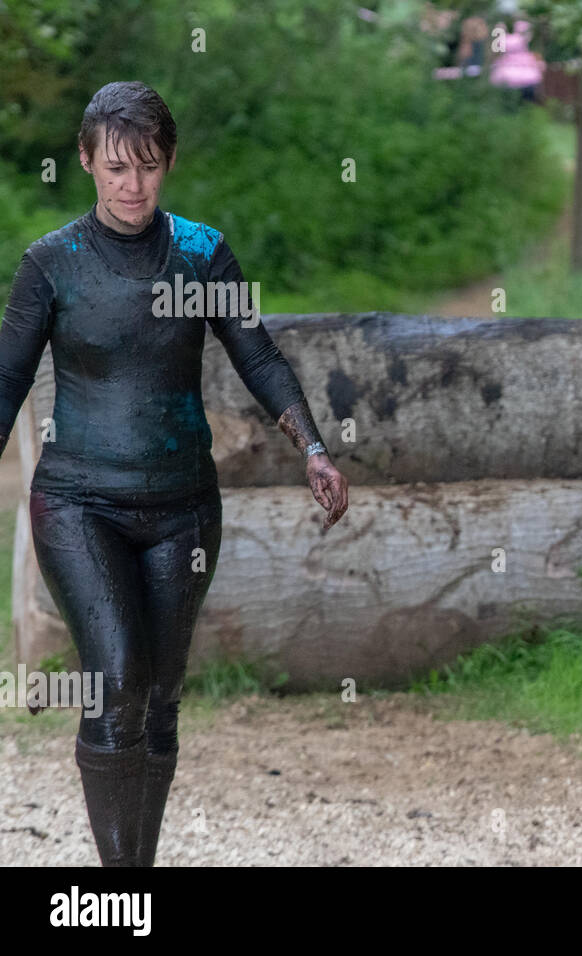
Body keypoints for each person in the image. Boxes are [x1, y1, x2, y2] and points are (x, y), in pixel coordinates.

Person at [0, 81, 349, 866]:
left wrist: (314, 447)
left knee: (158, 698)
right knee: (117, 677)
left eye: (149, 168)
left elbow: (257, 352)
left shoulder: (202, 252)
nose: (133, 186)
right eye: (117, 167)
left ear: (169, 163)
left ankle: (136, 880)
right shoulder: (50, 264)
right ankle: (119, 892)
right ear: (86, 160)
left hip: (183, 510)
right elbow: (5, 380)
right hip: (78, 504)